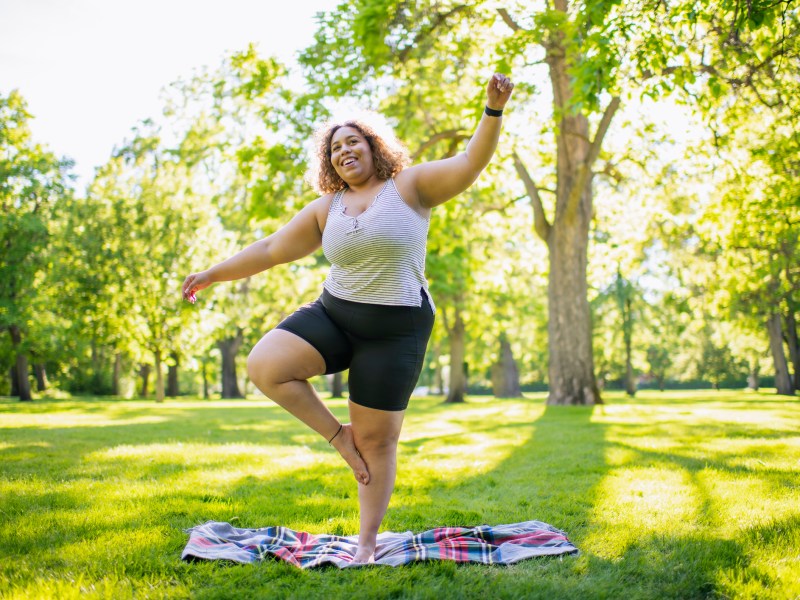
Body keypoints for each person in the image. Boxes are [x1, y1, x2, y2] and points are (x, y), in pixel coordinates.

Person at [181, 73, 514, 564]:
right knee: (266, 365)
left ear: (373, 147)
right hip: (335, 315)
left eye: (352, 141)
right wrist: (212, 274)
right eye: (335, 148)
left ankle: (366, 543)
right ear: (329, 161)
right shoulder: (326, 208)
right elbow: (272, 248)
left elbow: (470, 162)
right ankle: (339, 437)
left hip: (396, 330)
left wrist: (493, 109)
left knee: (379, 441)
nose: (343, 151)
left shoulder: (411, 185)